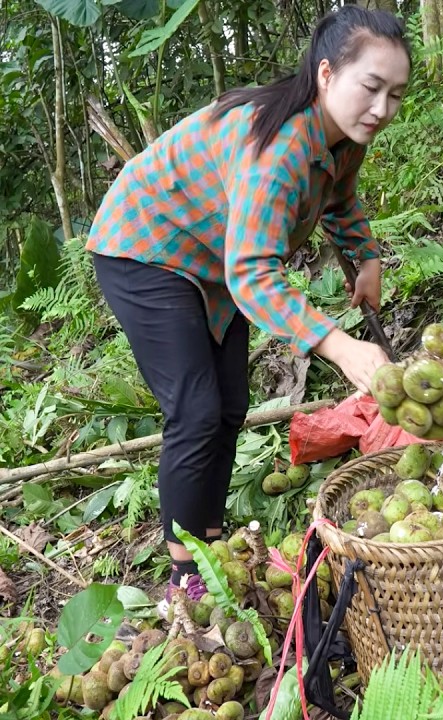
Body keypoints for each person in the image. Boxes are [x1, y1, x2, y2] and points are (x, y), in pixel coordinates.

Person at [85, 5, 412, 605]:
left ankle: (209, 541)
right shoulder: (281, 151)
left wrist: (366, 258)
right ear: (326, 74)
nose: (382, 109)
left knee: (230, 405)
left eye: (395, 94)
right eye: (371, 87)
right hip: (145, 247)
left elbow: (338, 200)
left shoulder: (341, 139)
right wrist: (338, 345)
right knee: (197, 410)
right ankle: (187, 579)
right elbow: (253, 273)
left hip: (210, 259)